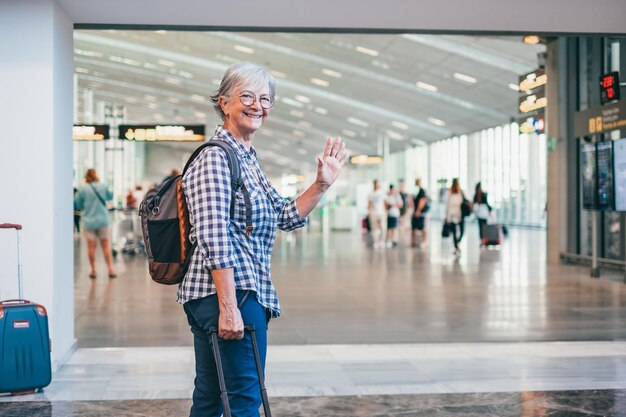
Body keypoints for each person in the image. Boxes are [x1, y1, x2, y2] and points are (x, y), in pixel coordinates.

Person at [178, 62, 349, 417]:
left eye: (265, 98)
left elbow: (284, 215)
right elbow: (213, 235)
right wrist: (229, 307)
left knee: (210, 399)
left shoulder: (246, 158)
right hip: (228, 293)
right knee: (243, 400)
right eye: (247, 96)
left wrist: (321, 185)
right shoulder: (215, 157)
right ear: (224, 102)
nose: (258, 105)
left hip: (234, 292)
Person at [74, 168, 117, 278]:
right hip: (103, 220)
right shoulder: (102, 186)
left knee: (91, 247)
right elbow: (110, 196)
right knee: (106, 245)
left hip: (89, 222)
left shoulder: (82, 189)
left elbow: (76, 205)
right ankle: (110, 269)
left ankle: (93, 270)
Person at [445, 178, 465, 255]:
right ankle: (456, 246)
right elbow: (447, 205)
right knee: (455, 231)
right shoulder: (450, 193)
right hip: (453, 214)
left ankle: (457, 243)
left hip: (458, 214)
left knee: (459, 231)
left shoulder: (461, 192)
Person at [367, 179, 386, 248]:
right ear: (374, 184)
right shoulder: (370, 193)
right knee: (374, 228)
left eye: (378, 184)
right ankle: (376, 242)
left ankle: (382, 241)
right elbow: (369, 203)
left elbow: (385, 202)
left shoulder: (382, 192)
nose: (377, 185)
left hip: (381, 212)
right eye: (375, 184)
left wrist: (385, 212)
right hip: (374, 213)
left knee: (383, 227)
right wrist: (369, 211)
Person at [411, 178, 429, 248]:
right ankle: (414, 241)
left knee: (423, 228)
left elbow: (422, 201)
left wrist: (418, 210)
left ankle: (424, 241)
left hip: (420, 213)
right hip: (415, 212)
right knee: (414, 228)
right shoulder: (416, 191)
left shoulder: (422, 191)